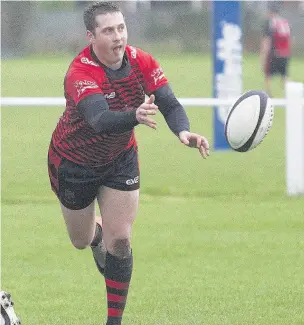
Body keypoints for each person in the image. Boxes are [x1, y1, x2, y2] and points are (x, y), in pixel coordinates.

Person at [47, 2, 210, 324]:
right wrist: (133, 116)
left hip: (119, 159)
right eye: (108, 30)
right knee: (81, 241)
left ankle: (114, 321)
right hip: (73, 163)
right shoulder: (80, 71)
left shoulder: (142, 61)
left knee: (120, 240)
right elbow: (99, 119)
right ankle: (96, 238)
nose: (118, 36)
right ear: (91, 36)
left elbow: (169, 103)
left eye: (121, 28)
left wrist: (184, 131)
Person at [260, 3, 291, 97]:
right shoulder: (285, 22)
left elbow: (267, 41)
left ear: (271, 12)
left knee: (268, 74)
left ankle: (268, 95)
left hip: (273, 53)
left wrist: (263, 56)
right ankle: (290, 94)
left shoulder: (270, 22)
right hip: (285, 53)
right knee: (284, 75)